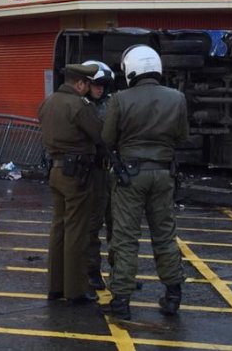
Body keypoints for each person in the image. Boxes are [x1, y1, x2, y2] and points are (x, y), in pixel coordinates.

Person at [103, 45, 188, 320]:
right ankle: (173, 295)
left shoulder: (120, 99)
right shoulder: (177, 98)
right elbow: (183, 137)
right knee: (164, 235)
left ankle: (121, 302)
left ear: (131, 70)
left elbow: (107, 139)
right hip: (164, 174)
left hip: (130, 175)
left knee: (126, 238)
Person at [38, 62, 104, 305]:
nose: (88, 89)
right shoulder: (79, 105)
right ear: (79, 83)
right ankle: (76, 290)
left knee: (59, 228)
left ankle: (55, 287)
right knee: (77, 231)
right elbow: (100, 135)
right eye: (87, 85)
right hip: (77, 174)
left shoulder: (48, 102)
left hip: (55, 170)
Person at [81, 59, 115, 290]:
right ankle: (93, 271)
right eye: (96, 84)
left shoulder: (114, 104)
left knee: (118, 225)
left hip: (113, 172)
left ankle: (119, 272)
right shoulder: (81, 107)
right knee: (93, 225)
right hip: (92, 173)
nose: (100, 88)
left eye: (103, 84)